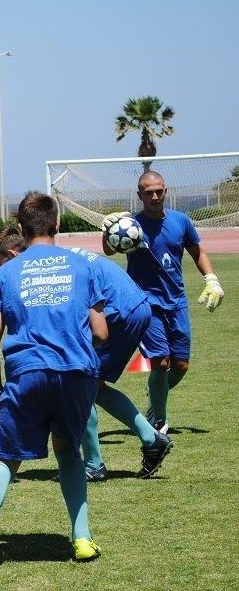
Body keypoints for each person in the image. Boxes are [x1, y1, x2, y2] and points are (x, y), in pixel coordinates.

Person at [0, 192, 108, 569]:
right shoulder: (83, 266)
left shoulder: (5, 272)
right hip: (75, 372)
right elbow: (100, 332)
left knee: (6, 458)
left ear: (20, 229)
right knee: (69, 451)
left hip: (27, 372)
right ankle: (82, 538)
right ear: (58, 226)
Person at [0, 226, 172, 480]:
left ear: (12, 253)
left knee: (81, 378)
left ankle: (97, 463)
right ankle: (150, 439)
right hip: (133, 304)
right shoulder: (52, 254)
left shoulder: (36, 266)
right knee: (92, 383)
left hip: (117, 310)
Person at [102, 171, 225, 435]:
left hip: (176, 301)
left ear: (165, 191)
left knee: (180, 366)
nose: (154, 196)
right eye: (148, 192)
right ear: (139, 195)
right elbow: (110, 249)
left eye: (158, 191)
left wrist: (211, 279)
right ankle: (159, 419)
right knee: (160, 362)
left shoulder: (181, 221)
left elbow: (197, 251)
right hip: (144, 303)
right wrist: (108, 229)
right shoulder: (130, 225)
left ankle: (155, 393)